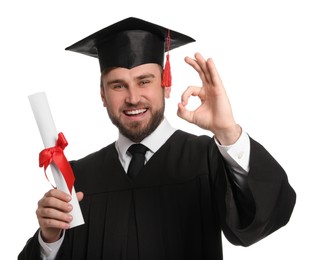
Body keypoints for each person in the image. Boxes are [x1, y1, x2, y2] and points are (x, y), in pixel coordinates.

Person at [18, 17, 296, 260]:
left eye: (144, 81)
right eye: (118, 85)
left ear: (166, 84)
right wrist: (49, 240)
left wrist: (228, 132)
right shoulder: (78, 176)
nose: (133, 98)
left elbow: (261, 220)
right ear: (102, 95)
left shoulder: (208, 158)